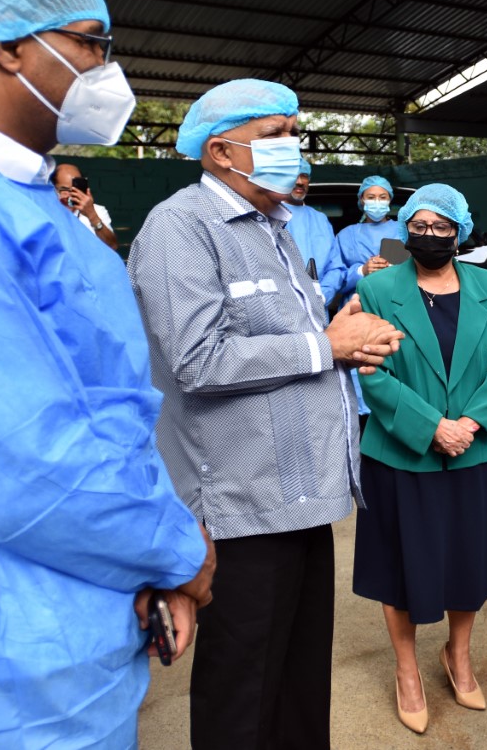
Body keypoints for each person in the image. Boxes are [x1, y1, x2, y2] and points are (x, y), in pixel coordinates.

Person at [0, 0, 214, 747]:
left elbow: (109, 409)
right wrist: (176, 550)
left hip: (83, 607)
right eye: (90, 44)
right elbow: (24, 456)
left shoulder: (31, 197)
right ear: (9, 46)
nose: (106, 71)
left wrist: (148, 561)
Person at [127, 78, 403, 749]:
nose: (293, 147)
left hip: (301, 497)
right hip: (240, 506)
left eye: (294, 132)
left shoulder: (275, 228)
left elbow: (288, 343)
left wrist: (341, 336)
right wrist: (327, 345)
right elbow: (197, 360)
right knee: (243, 694)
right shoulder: (181, 227)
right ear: (222, 152)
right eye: (276, 134)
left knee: (299, 683)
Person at [352, 183, 487, 734]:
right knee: (400, 565)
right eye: (419, 226)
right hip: (402, 456)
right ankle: (407, 671)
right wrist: (431, 428)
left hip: (474, 450)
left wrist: (467, 425)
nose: (429, 236)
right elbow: (372, 372)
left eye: (441, 227)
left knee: (469, 559)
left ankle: (458, 655)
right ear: (406, 229)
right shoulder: (377, 288)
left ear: (460, 231)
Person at [332, 174, 398, 305]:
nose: (377, 202)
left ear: (389, 199)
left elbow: (420, 271)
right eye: (371, 197)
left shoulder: (404, 231)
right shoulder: (346, 235)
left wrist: (398, 270)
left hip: (396, 304)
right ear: (362, 199)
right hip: (358, 305)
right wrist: (362, 270)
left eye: (382, 197)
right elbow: (334, 278)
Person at [285, 157, 341, 305]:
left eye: (304, 176)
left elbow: (335, 266)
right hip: (282, 308)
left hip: (319, 308)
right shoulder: (268, 215)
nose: (299, 182)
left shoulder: (320, 219)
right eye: (293, 175)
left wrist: (323, 296)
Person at [54, 162, 120, 250]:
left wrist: (92, 215)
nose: (70, 195)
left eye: (75, 190)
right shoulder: (46, 210)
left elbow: (112, 246)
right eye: (64, 189)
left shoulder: (97, 211)